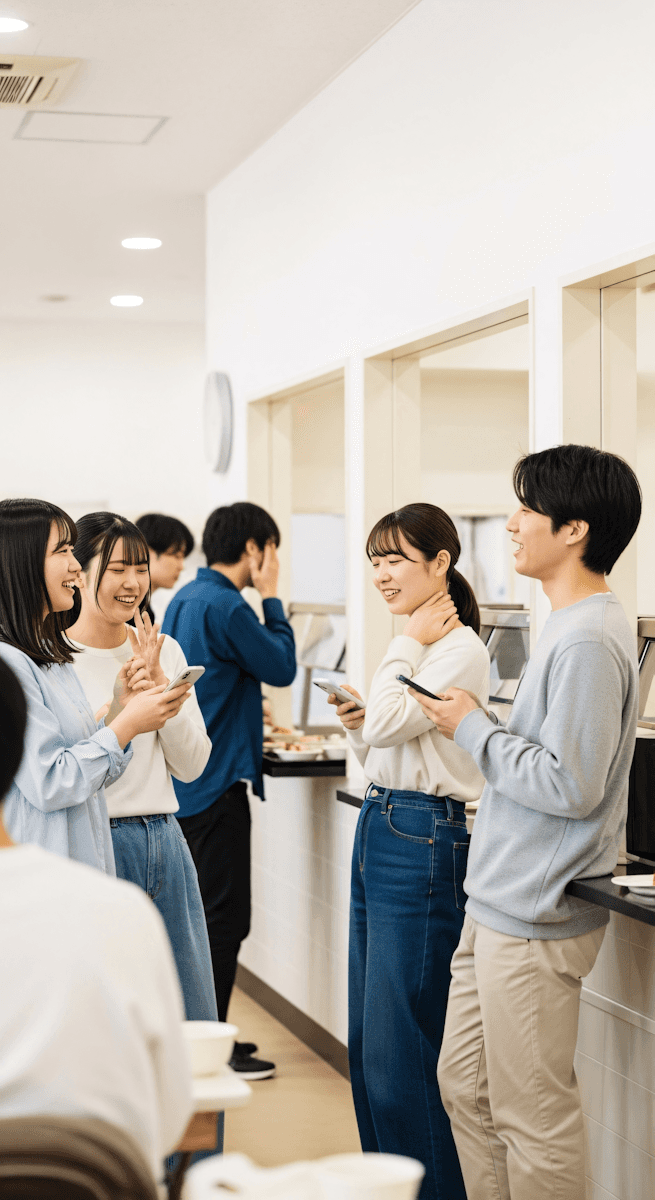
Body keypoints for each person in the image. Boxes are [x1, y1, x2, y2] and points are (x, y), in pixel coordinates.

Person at [413, 446, 641, 1200]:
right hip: (499, 901)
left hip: (534, 917)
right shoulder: (568, 625)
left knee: (531, 1119)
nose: (510, 524)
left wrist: (471, 728)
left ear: (573, 528)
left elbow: (569, 784)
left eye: (524, 509)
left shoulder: (586, 637)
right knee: (464, 1089)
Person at [330, 503, 490, 1200]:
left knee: (403, 1048)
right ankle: (390, 1185)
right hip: (385, 821)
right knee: (369, 1039)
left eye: (395, 558)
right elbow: (384, 733)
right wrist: (367, 717)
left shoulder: (456, 645)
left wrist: (399, 651)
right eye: (374, 560)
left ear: (440, 563)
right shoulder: (423, 642)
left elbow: (394, 721)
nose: (381, 573)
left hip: (423, 833)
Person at [0, 654, 193, 1185]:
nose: (74, 569)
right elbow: (172, 1110)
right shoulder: (115, 915)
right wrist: (121, 726)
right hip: (98, 1180)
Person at [65, 511, 217, 1024]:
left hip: (165, 842)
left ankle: (198, 1109)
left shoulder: (162, 648)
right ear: (80, 572)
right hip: (92, 841)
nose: (133, 583)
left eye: (141, 567)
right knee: (110, 1017)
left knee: (189, 1008)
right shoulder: (50, 659)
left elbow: (193, 765)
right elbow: (61, 771)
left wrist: (161, 690)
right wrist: (122, 712)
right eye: (116, 569)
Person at [163, 501, 297, 1079]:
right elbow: (283, 664)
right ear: (254, 549)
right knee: (225, 921)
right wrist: (271, 595)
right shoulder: (229, 604)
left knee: (198, 920)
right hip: (216, 788)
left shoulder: (186, 598)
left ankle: (191, 1037)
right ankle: (210, 1048)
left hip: (184, 787)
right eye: (271, 551)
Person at [0, 498, 190, 872]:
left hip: (86, 864)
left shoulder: (49, 655)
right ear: (23, 560)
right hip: (49, 874)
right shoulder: (10, 662)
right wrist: (127, 724)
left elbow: (93, 770)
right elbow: (52, 782)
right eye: (64, 551)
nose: (76, 566)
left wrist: (121, 708)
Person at [136, 512, 196, 623]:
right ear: (145, 552)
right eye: (177, 556)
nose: (181, 567)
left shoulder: (144, 610)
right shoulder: (125, 611)